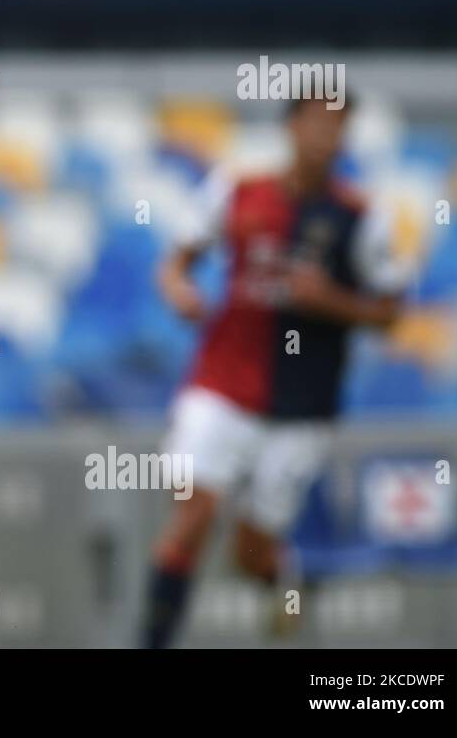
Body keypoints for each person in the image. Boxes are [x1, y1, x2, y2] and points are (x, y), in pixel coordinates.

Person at [142, 91, 410, 648]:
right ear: (291, 128)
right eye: (317, 123)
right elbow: (177, 260)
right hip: (220, 380)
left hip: (300, 403)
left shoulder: (360, 216)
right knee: (193, 514)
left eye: (337, 126)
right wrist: (179, 291)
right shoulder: (237, 191)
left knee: (251, 552)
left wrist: (329, 299)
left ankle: (283, 577)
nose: (325, 136)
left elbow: (389, 312)